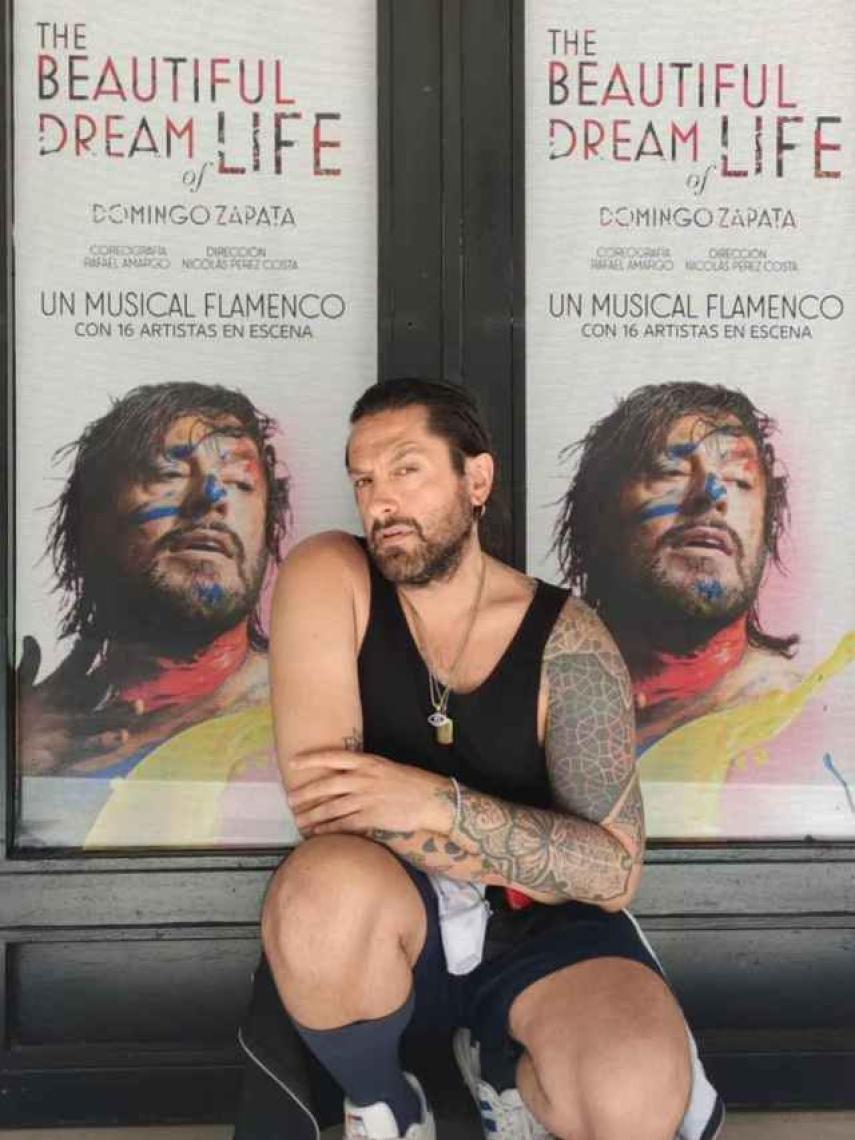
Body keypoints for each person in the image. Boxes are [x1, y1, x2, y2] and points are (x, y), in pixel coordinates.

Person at [258, 378, 722, 1140]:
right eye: (363, 479)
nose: (379, 501)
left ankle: (508, 1075)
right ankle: (385, 1103)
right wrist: (531, 852)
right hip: (396, 923)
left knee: (632, 1099)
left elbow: (613, 872)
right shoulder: (331, 576)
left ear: (476, 480)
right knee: (320, 896)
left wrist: (429, 804)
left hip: (541, 934)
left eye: (406, 469)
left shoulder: (568, 641)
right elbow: (325, 802)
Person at [554, 381, 855, 836]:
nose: (712, 494)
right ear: (597, 516)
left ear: (766, 532)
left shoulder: (806, 724)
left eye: (740, 481)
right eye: (670, 471)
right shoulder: (536, 693)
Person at [17, 381, 292, 846]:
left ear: (269, 531)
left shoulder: (318, 712)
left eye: (241, 482)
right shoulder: (29, 731)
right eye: (168, 473)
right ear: (90, 519)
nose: (211, 496)